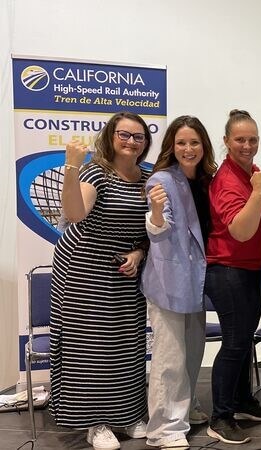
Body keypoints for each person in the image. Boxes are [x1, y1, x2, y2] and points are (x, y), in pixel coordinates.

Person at [50, 111, 152, 450]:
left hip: (126, 269)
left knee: (127, 343)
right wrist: (72, 166)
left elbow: (150, 230)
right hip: (84, 267)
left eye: (138, 136)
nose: (131, 142)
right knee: (90, 347)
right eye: (124, 135)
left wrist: (138, 254)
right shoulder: (96, 172)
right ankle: (95, 422)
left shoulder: (148, 177)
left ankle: (127, 414)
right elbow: (75, 215)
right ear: (111, 137)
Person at [141, 116, 217, 449]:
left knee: (192, 351)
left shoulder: (204, 180)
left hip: (195, 279)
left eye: (195, 142)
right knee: (169, 357)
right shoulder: (162, 180)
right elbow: (158, 228)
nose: (188, 149)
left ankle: (186, 408)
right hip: (169, 279)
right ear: (172, 145)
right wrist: (156, 211)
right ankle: (164, 428)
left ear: (204, 146)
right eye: (182, 142)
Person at [205, 109, 261, 445]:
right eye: (240, 139)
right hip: (228, 269)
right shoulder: (227, 180)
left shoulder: (252, 173)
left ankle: (243, 401)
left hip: (252, 269)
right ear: (226, 142)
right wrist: (260, 192)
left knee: (244, 339)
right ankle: (220, 417)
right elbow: (241, 230)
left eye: (253, 139)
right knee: (234, 342)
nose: (247, 145)